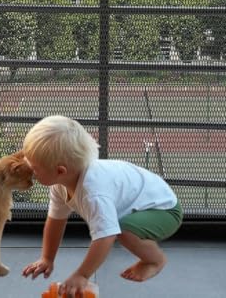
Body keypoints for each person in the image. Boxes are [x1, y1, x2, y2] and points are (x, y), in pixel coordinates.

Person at [22, 115, 182, 297]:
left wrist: (82, 275)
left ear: (60, 171)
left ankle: (155, 260)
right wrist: (47, 258)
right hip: (141, 203)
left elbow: (106, 236)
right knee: (117, 225)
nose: (29, 170)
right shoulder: (61, 184)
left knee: (123, 230)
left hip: (164, 210)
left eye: (34, 168)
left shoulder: (93, 192)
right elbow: (55, 220)